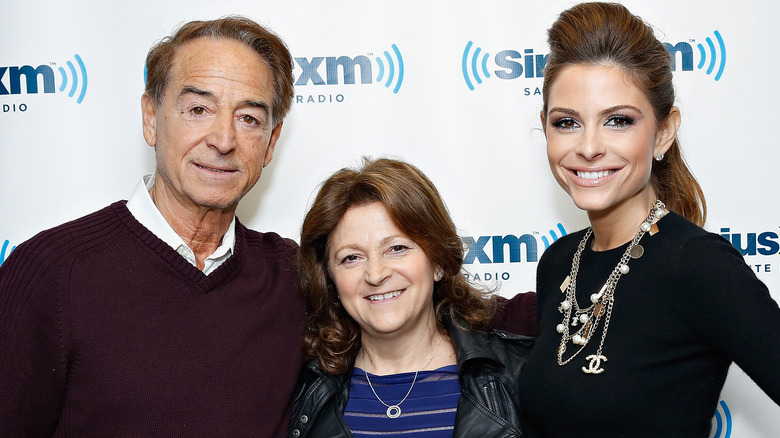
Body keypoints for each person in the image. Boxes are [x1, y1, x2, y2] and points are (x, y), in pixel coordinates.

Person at [0, 17, 304, 437]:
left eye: (249, 119)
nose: (223, 139)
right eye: (198, 109)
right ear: (151, 118)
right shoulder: (52, 271)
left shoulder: (293, 277)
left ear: (271, 142)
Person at [518, 3, 780, 437]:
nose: (588, 147)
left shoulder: (698, 265)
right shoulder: (559, 261)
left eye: (618, 121)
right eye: (567, 122)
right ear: (545, 127)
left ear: (663, 132)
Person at [290, 157, 535, 438]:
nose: (376, 273)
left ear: (438, 261)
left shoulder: (520, 375)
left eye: (397, 248)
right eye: (351, 257)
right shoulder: (303, 389)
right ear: (330, 277)